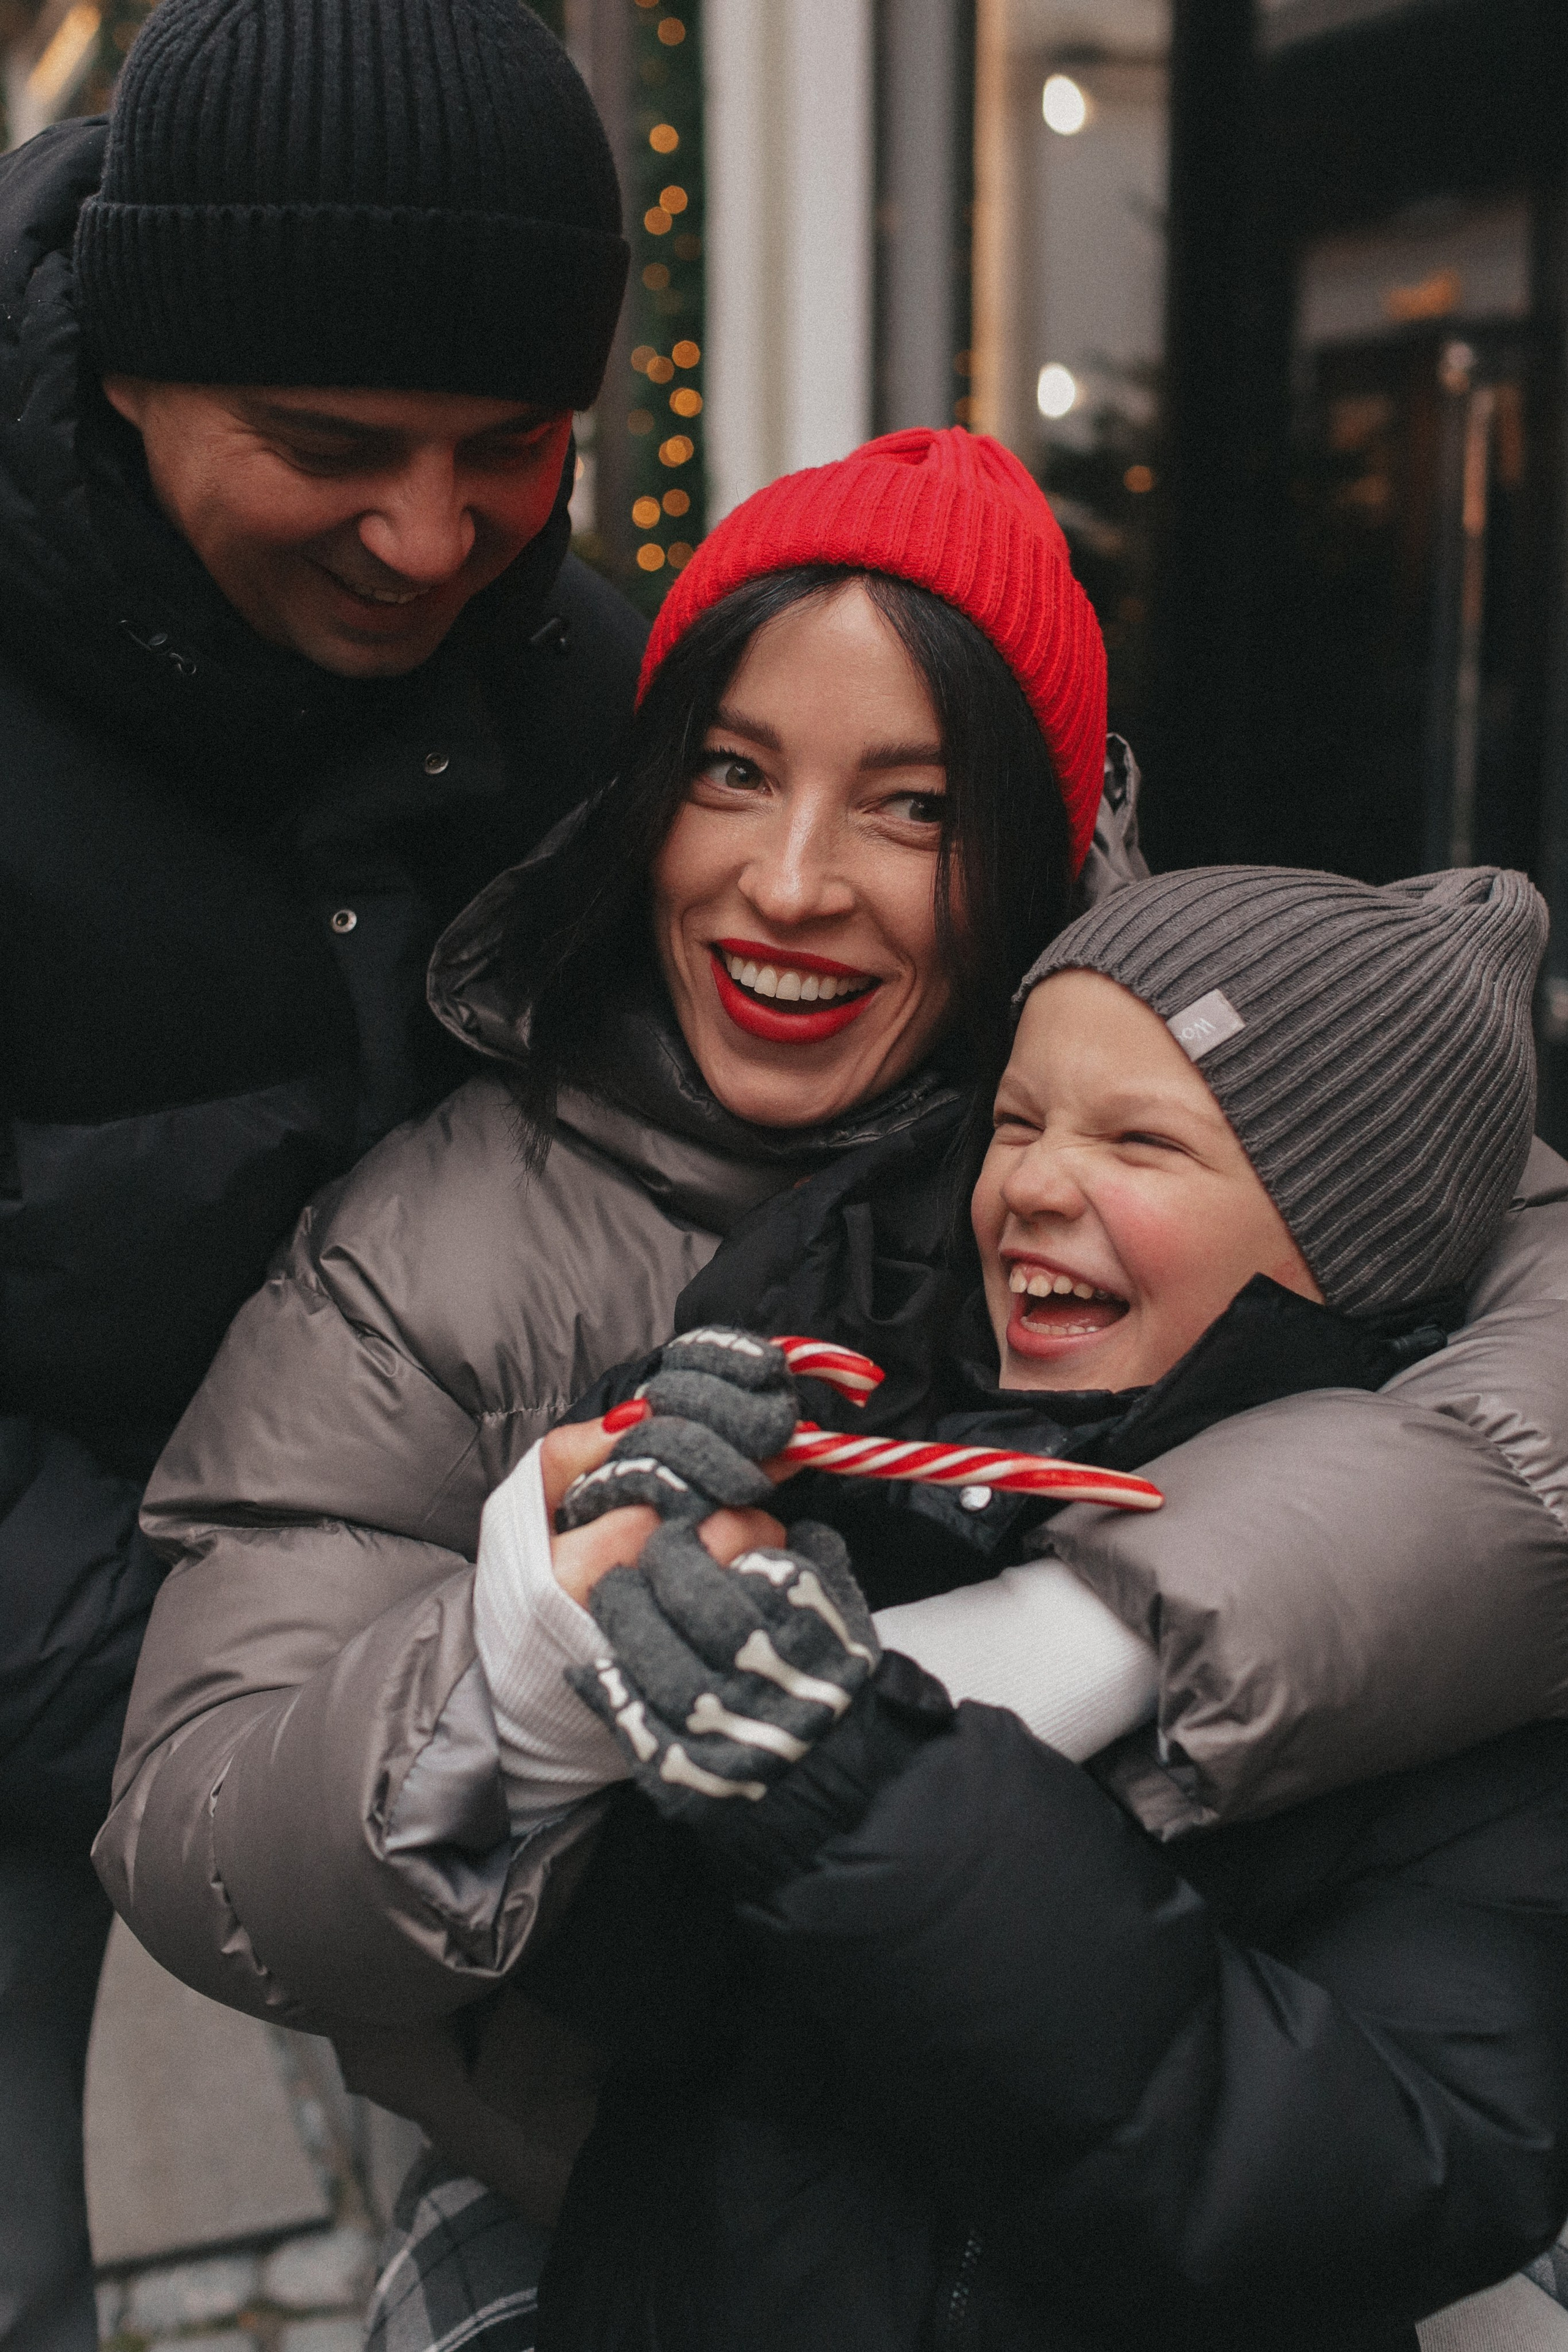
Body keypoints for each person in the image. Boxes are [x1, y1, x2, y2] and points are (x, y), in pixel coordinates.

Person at [104, 434, 1568, 2244]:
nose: (791, 885)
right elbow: (200, 1838)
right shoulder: (434, 1255)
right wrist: (527, 1660)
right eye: (731, 772)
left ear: (1031, 840)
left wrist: (1111, 1624)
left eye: (914, 806)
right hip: (625, 2216)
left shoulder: (1218, 1062)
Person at [521, 862, 1568, 2350]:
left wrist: (872, 1801)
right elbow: (620, 2006)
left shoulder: (1468, 1686)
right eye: (1015, 1122)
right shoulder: (879, 1465)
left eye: (1140, 1140)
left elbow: (1379, 2178)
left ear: (1356, 1239)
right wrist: (615, 1578)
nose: (1027, 1186)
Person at [0, 0, 639, 2343]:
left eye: (514, 449)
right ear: (130, 374)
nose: (431, 538)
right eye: (332, 448)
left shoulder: (572, 676)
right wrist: (245, 1725)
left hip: (432, 1656)